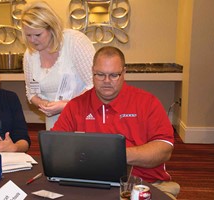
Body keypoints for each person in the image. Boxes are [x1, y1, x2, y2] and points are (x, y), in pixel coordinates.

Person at [52, 46, 180, 199]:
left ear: (124, 73)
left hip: (145, 185)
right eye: (100, 74)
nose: (106, 81)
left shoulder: (147, 102)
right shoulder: (75, 106)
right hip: (90, 185)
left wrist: (114, 155)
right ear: (92, 72)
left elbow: (164, 149)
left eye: (114, 75)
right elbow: (55, 147)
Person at [20, 1, 95, 130]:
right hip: (54, 120)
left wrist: (67, 105)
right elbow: (31, 93)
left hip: (85, 116)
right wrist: (42, 104)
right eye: (28, 35)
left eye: (38, 35)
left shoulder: (75, 42)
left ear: (51, 28)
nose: (32, 40)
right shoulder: (30, 55)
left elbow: (95, 85)